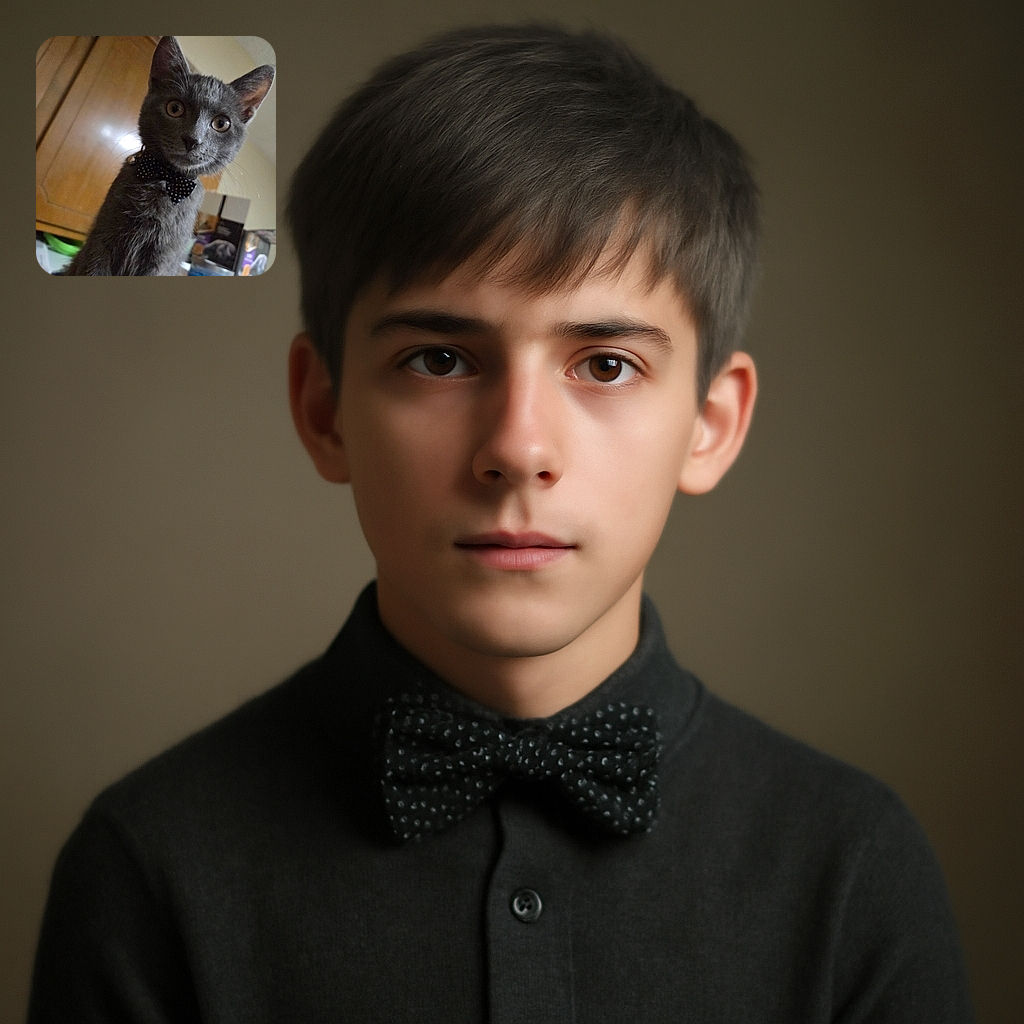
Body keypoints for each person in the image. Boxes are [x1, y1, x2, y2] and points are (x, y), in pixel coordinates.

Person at [28, 23, 972, 1022]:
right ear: (324, 410)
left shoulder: (856, 867)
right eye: (439, 358)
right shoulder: (147, 868)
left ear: (710, 422)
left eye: (605, 364)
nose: (518, 448)